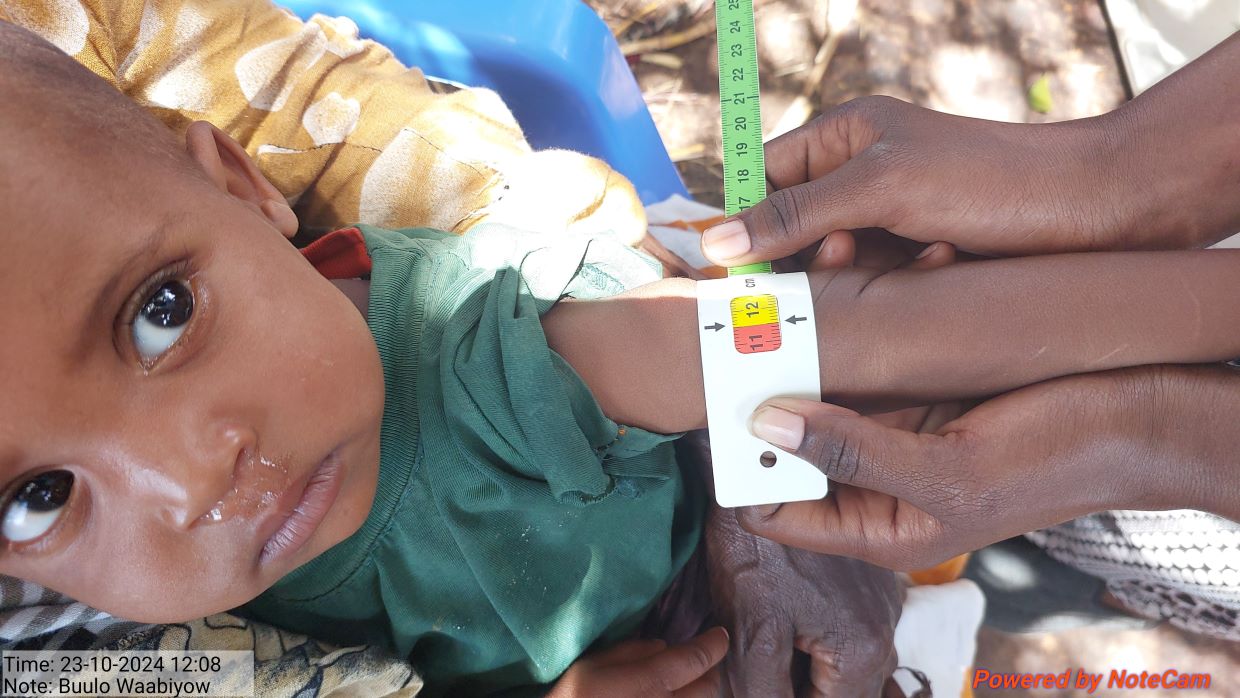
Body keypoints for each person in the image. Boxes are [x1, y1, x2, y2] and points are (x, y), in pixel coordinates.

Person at [0, 18, 1234, 698]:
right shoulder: (171, 620)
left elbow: (861, 330)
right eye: (35, 494)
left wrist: (1170, 285)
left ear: (241, 186)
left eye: (162, 312)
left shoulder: (495, 359)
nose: (193, 479)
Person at [702, 31, 1240, 640]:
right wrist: (1119, 178)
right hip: (1086, 478)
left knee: (1039, 586)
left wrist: (1153, 434)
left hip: (1184, 553)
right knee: (997, 551)